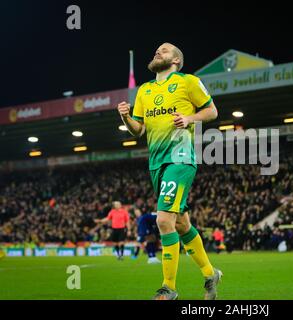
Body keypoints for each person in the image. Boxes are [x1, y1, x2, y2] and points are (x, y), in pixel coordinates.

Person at [117, 43, 222, 300]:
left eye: (163, 50)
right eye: (156, 50)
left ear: (176, 59)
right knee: (180, 222)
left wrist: (189, 119)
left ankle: (168, 288)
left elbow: (212, 110)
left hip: (180, 157)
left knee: (163, 221)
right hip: (156, 163)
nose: (157, 52)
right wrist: (125, 118)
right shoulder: (145, 90)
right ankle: (211, 274)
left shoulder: (188, 82)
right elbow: (138, 130)